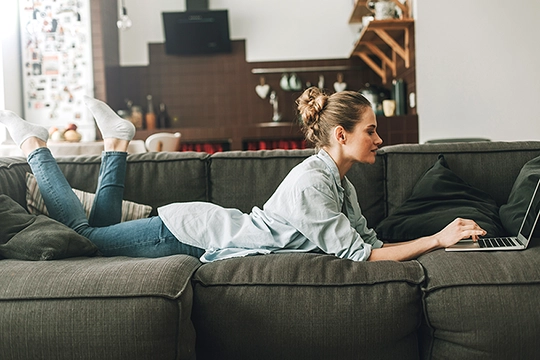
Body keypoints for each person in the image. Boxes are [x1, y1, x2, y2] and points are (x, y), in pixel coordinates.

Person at [0, 89, 486, 262]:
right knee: (84, 235)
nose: (380, 139)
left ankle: (116, 142)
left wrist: (440, 239)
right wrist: (437, 241)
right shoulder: (316, 183)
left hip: (203, 228)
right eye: (372, 131)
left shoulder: (339, 182)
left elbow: (369, 240)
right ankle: (34, 146)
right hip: (187, 237)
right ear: (340, 135)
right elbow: (361, 256)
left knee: (97, 232)